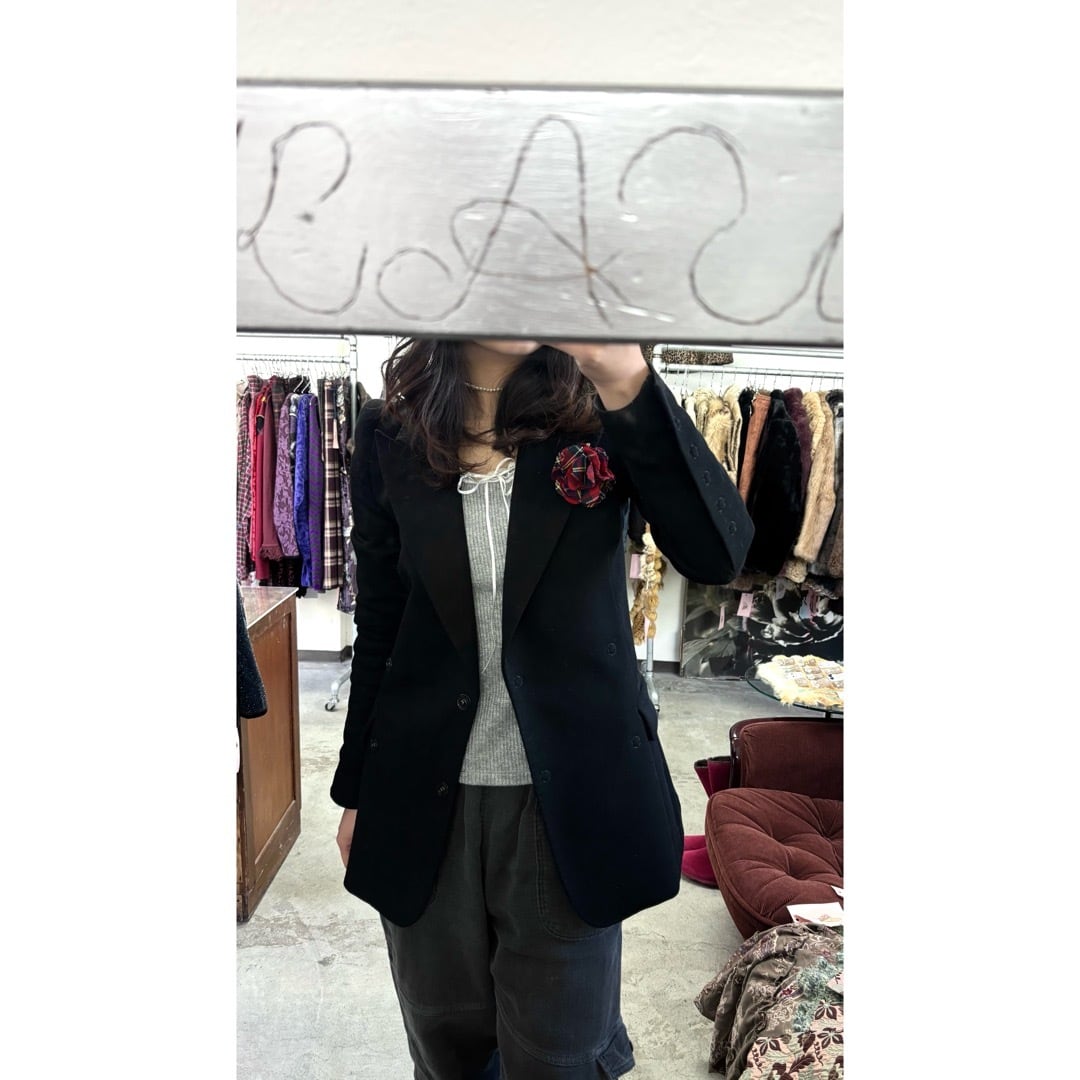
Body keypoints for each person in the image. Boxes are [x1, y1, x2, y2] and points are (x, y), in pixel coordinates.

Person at [332, 338, 753, 1079]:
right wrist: (355, 791)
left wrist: (623, 372)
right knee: (445, 1046)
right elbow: (384, 619)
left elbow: (719, 554)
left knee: (560, 1055)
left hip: (570, 803)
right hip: (420, 795)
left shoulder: (602, 409)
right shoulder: (391, 428)